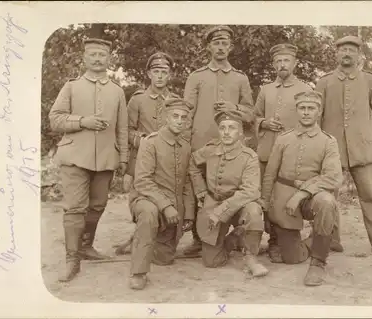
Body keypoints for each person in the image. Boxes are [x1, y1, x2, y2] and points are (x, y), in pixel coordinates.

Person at [49, 38, 128, 282]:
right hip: (74, 156)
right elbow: (55, 120)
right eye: (92, 54)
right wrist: (83, 121)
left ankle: (85, 246)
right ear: (84, 58)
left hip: (105, 158)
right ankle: (72, 260)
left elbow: (122, 128)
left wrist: (123, 158)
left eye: (102, 55)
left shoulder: (117, 91)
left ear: (108, 60)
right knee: (75, 208)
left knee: (97, 206)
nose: (97, 59)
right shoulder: (71, 87)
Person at [315, 35, 372, 258]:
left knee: (371, 196)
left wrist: (363, 131)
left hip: (363, 150)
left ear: (358, 55)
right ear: (336, 54)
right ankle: (331, 241)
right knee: (328, 196)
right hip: (332, 150)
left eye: (351, 50)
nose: (346, 53)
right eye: (342, 49)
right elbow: (316, 115)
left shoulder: (370, 81)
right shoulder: (324, 82)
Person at [182, 25, 255, 258]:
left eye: (224, 43)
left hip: (232, 146)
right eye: (216, 43)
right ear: (209, 47)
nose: (220, 47)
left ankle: (234, 234)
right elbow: (186, 112)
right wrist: (186, 141)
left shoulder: (240, 78)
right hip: (201, 144)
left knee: (230, 189)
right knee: (199, 192)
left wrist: (233, 108)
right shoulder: (197, 77)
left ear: (230, 47)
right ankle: (199, 238)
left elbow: (250, 114)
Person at [261, 91, 343, 286]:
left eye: (311, 108)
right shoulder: (283, 138)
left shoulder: (328, 141)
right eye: (302, 108)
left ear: (318, 111)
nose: (306, 112)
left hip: (311, 197)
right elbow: (270, 174)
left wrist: (302, 193)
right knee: (291, 257)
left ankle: (318, 262)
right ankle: (295, 239)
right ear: (296, 111)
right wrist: (265, 203)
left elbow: (333, 177)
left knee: (327, 202)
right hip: (283, 196)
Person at [254, 43, 317, 262]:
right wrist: (263, 122)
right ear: (273, 64)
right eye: (278, 61)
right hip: (267, 151)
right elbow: (253, 117)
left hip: (292, 155)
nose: (282, 65)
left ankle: (290, 238)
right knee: (268, 196)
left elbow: (311, 121)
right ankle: (273, 241)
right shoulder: (265, 90)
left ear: (294, 63)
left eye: (286, 60)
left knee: (288, 196)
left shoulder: (305, 89)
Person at [189, 109, 269, 277]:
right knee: (212, 262)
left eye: (231, 127)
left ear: (240, 132)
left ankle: (250, 258)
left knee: (254, 211)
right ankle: (234, 238)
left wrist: (221, 212)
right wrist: (200, 189)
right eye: (222, 128)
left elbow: (250, 190)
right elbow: (192, 163)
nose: (226, 132)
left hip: (239, 205)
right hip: (213, 202)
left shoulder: (249, 156)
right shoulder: (210, 149)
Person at [114, 52, 179, 255]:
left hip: (167, 162)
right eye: (156, 71)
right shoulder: (138, 100)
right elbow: (126, 130)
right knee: (140, 200)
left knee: (166, 199)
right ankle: (137, 237)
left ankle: (156, 239)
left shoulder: (176, 100)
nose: (160, 76)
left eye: (164, 72)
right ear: (149, 74)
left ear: (170, 75)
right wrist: (141, 139)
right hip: (141, 159)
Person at [128, 98, 195, 290]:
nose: (179, 120)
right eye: (175, 116)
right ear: (166, 118)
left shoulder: (186, 147)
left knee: (164, 259)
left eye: (184, 117)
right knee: (148, 214)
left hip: (174, 207)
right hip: (146, 199)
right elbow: (142, 181)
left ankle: (141, 239)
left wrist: (188, 213)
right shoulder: (150, 143)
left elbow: (187, 183)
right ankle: (138, 273)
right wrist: (165, 206)